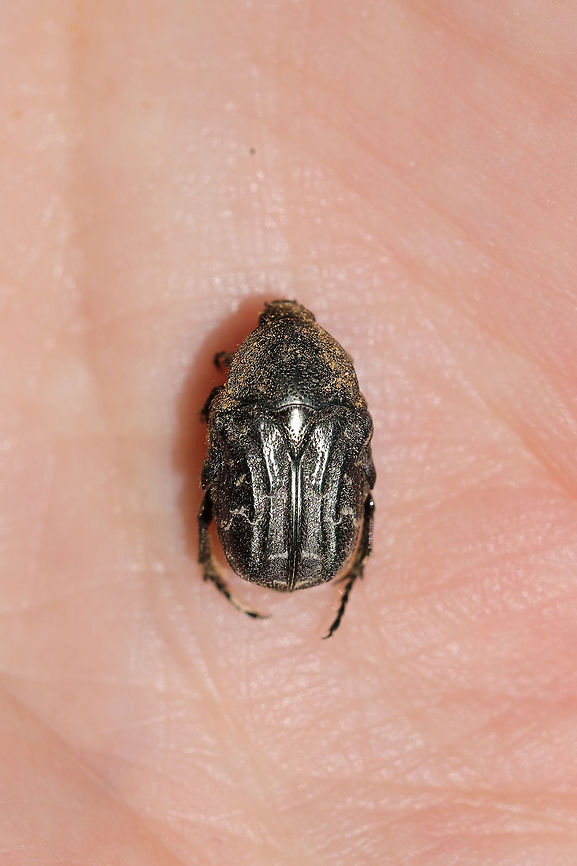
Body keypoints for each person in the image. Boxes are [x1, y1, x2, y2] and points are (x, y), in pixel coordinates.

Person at [1, 3, 575, 862]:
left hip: (268, 547)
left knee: (240, 491)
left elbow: (242, 463)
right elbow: (355, 479)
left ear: (237, 386)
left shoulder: (240, 405)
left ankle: (250, 568)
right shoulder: (330, 411)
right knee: (305, 490)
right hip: (299, 551)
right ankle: (310, 573)